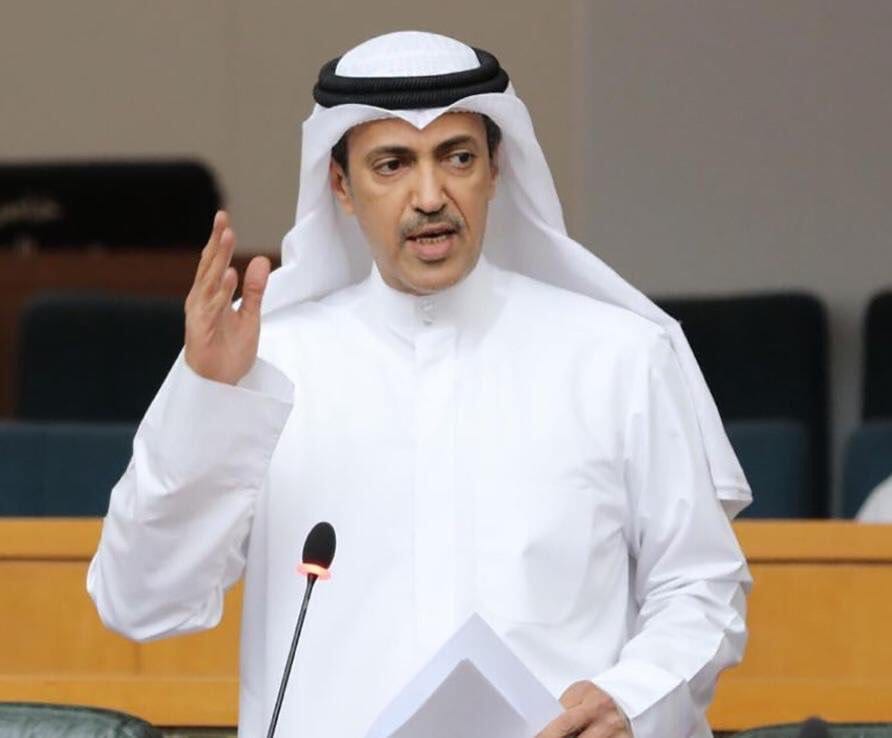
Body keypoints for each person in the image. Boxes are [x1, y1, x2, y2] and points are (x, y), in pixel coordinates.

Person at [87, 31, 751, 738]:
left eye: (457, 157)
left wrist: (629, 699)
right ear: (341, 186)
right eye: (392, 164)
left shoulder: (618, 357)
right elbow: (140, 602)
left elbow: (700, 586)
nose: (430, 196)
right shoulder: (266, 361)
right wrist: (207, 401)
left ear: (496, 168)